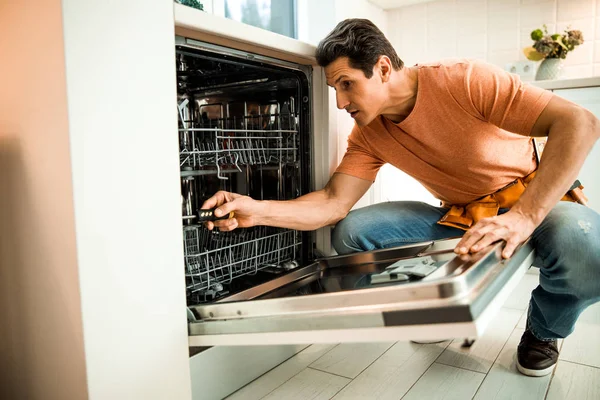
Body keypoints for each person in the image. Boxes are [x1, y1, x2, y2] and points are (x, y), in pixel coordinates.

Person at [201, 19, 600, 377]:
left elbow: (579, 122)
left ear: (383, 68)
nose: (340, 102)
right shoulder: (369, 133)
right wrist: (258, 210)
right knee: (354, 231)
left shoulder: (465, 81)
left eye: (346, 84)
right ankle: (425, 314)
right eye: (334, 89)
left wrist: (525, 217)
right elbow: (333, 202)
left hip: (536, 201)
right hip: (464, 213)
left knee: (587, 244)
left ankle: (543, 332)